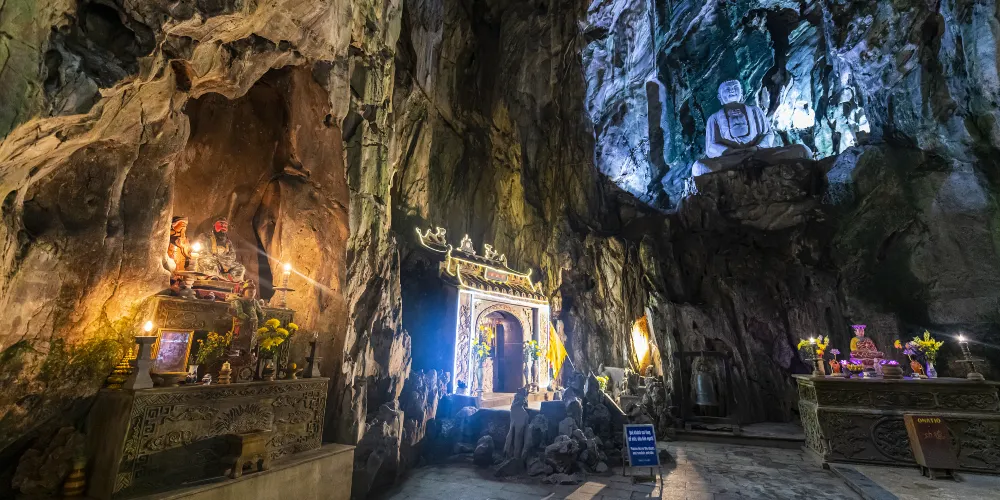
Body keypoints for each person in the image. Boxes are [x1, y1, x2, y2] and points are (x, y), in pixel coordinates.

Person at [692, 80, 812, 176]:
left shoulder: (755, 110)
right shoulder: (714, 118)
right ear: (720, 97)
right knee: (699, 167)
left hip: (760, 154)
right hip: (731, 159)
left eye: (735, 88)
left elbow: (768, 134)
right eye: (727, 89)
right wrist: (731, 152)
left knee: (803, 150)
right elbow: (711, 147)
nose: (732, 90)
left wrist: (757, 148)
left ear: (742, 93)